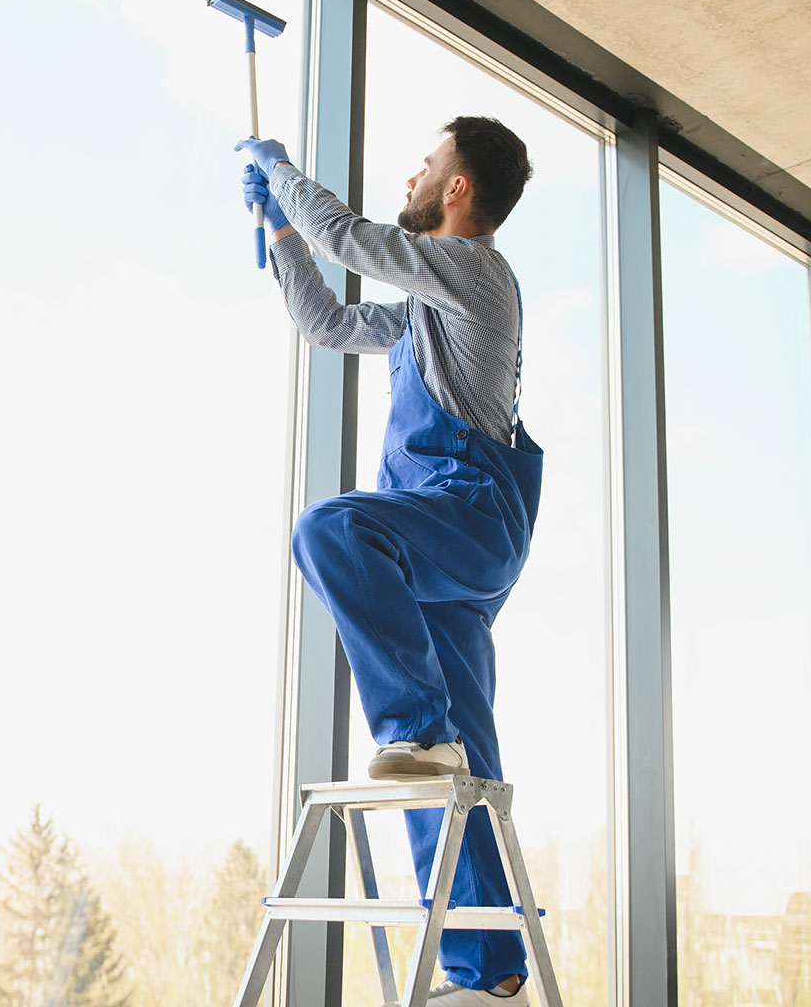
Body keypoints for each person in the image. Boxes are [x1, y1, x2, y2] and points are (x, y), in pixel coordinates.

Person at [235, 117, 542, 1006]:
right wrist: (282, 230)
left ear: (457, 190)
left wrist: (282, 170)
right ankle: (490, 976)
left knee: (331, 530)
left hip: (465, 520)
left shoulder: (472, 273)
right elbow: (326, 322)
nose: (413, 174)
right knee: (459, 775)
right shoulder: (425, 314)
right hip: (440, 548)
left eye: (426, 163)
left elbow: (350, 239)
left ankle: (411, 727)